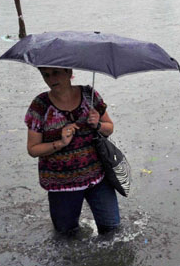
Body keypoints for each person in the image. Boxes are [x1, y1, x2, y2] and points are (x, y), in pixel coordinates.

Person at [25, 67, 119, 234]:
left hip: (98, 178)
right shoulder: (40, 105)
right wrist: (59, 143)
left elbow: (109, 128)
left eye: (56, 73)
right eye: (45, 75)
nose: (51, 78)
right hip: (61, 185)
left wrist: (97, 124)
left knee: (112, 230)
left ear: (69, 72)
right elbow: (33, 149)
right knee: (66, 237)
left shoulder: (89, 96)